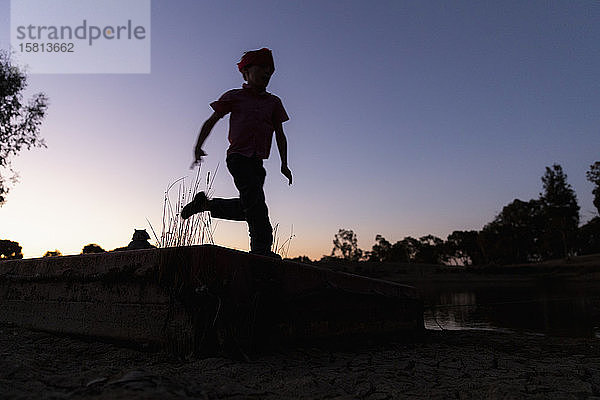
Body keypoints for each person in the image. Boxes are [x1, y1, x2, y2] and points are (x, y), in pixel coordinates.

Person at [181, 48, 292, 258]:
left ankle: (206, 204)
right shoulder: (235, 97)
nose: (267, 73)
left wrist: (284, 164)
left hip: (257, 162)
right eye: (262, 67)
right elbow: (212, 120)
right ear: (246, 72)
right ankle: (261, 250)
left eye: (271, 70)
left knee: (248, 207)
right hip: (238, 158)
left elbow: (280, 135)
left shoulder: (273, 103)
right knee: (258, 207)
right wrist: (198, 146)